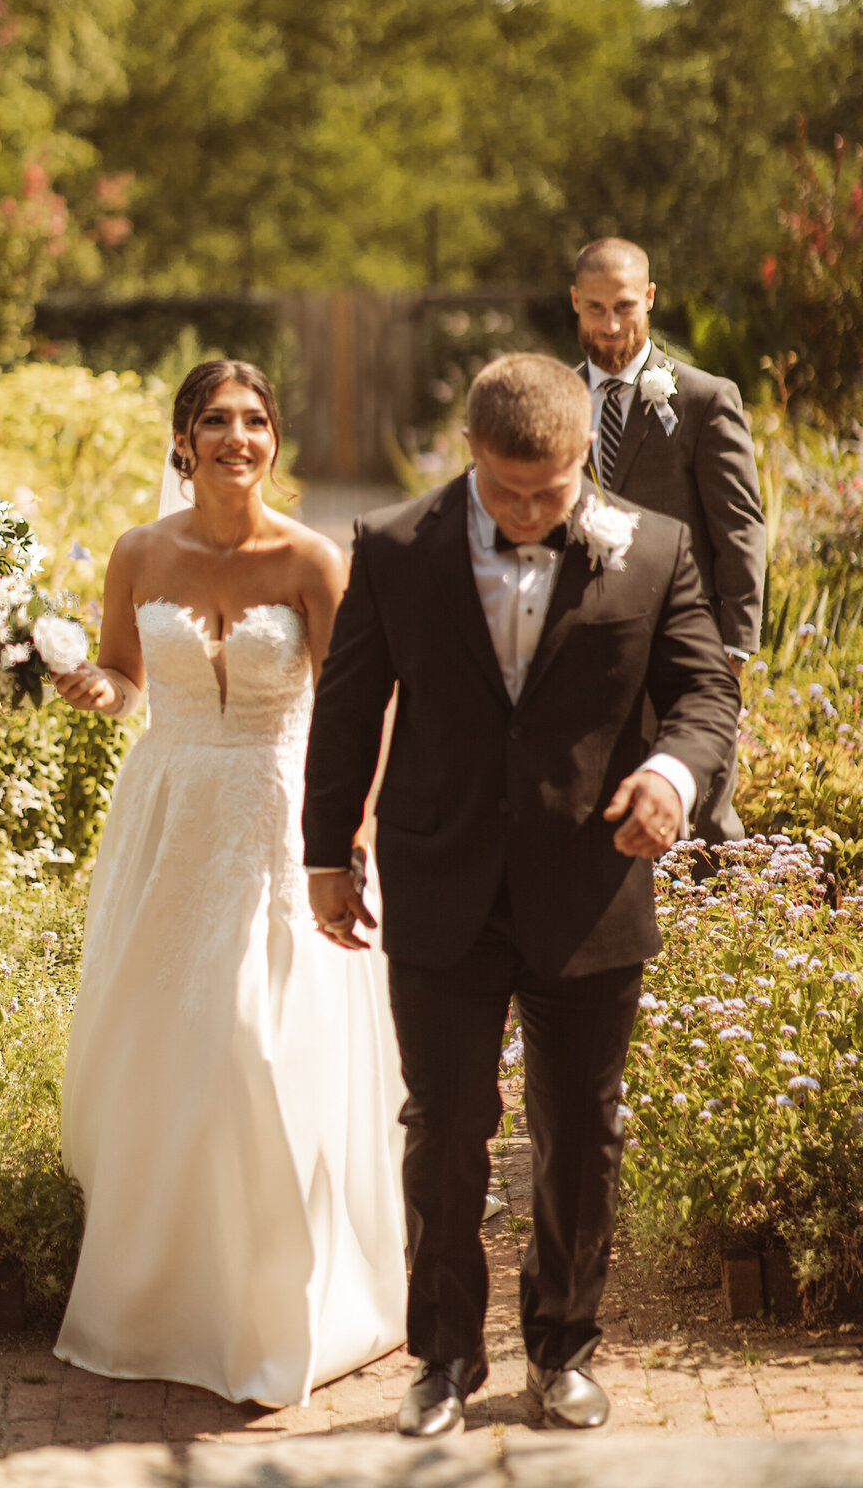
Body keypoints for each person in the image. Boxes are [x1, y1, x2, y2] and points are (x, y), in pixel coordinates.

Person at [303, 353, 739, 1437]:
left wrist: (671, 777)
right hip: (440, 879)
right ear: (469, 454)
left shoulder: (658, 550)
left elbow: (703, 697)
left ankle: (564, 1352)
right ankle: (443, 1360)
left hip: (589, 886)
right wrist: (326, 854)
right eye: (509, 491)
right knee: (444, 1127)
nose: (534, 513)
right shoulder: (396, 547)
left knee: (581, 1134)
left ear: (583, 453)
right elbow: (349, 710)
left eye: (553, 491)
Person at [50, 359, 407, 1408]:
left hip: (276, 814)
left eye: (255, 422)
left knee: (259, 1044)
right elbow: (126, 680)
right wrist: (94, 686)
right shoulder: (137, 553)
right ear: (182, 439)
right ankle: (157, 1307)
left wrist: (350, 834)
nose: (237, 438)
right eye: (216, 420)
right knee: (165, 1048)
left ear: (273, 440)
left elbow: (360, 710)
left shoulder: (308, 557)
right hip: (168, 820)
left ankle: (276, 1312)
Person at [571, 236, 767, 842]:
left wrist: (734, 647)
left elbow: (740, 526)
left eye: (625, 306)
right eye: (596, 308)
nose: (610, 325)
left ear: (650, 298)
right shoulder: (553, 398)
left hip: (684, 640)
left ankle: (715, 934)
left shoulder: (706, 399)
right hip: (580, 647)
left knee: (700, 818)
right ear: (574, 302)